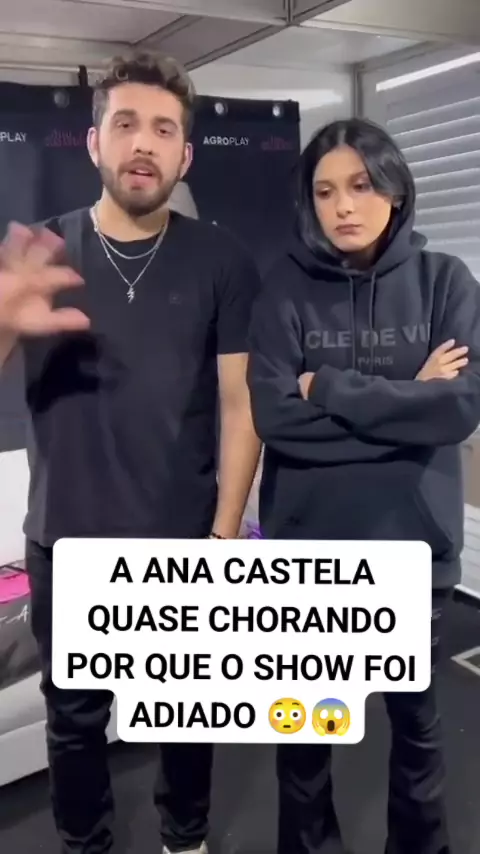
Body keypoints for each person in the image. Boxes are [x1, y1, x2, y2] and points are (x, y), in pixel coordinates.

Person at [0, 50, 262, 854]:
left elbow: (240, 402)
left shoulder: (221, 259)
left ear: (186, 155)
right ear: (94, 143)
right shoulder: (42, 252)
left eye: (163, 129)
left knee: (186, 714)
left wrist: (224, 535)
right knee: (75, 722)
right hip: (67, 541)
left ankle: (185, 837)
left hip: (182, 540)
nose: (143, 143)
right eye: (125, 124)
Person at [247, 117, 480, 854]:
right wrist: (409, 401)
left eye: (360, 185)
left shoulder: (446, 282)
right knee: (306, 736)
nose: (343, 205)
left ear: (395, 189)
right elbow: (276, 421)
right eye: (325, 192)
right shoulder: (282, 290)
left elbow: (459, 409)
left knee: (417, 729)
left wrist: (328, 387)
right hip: (309, 556)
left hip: (414, 553)